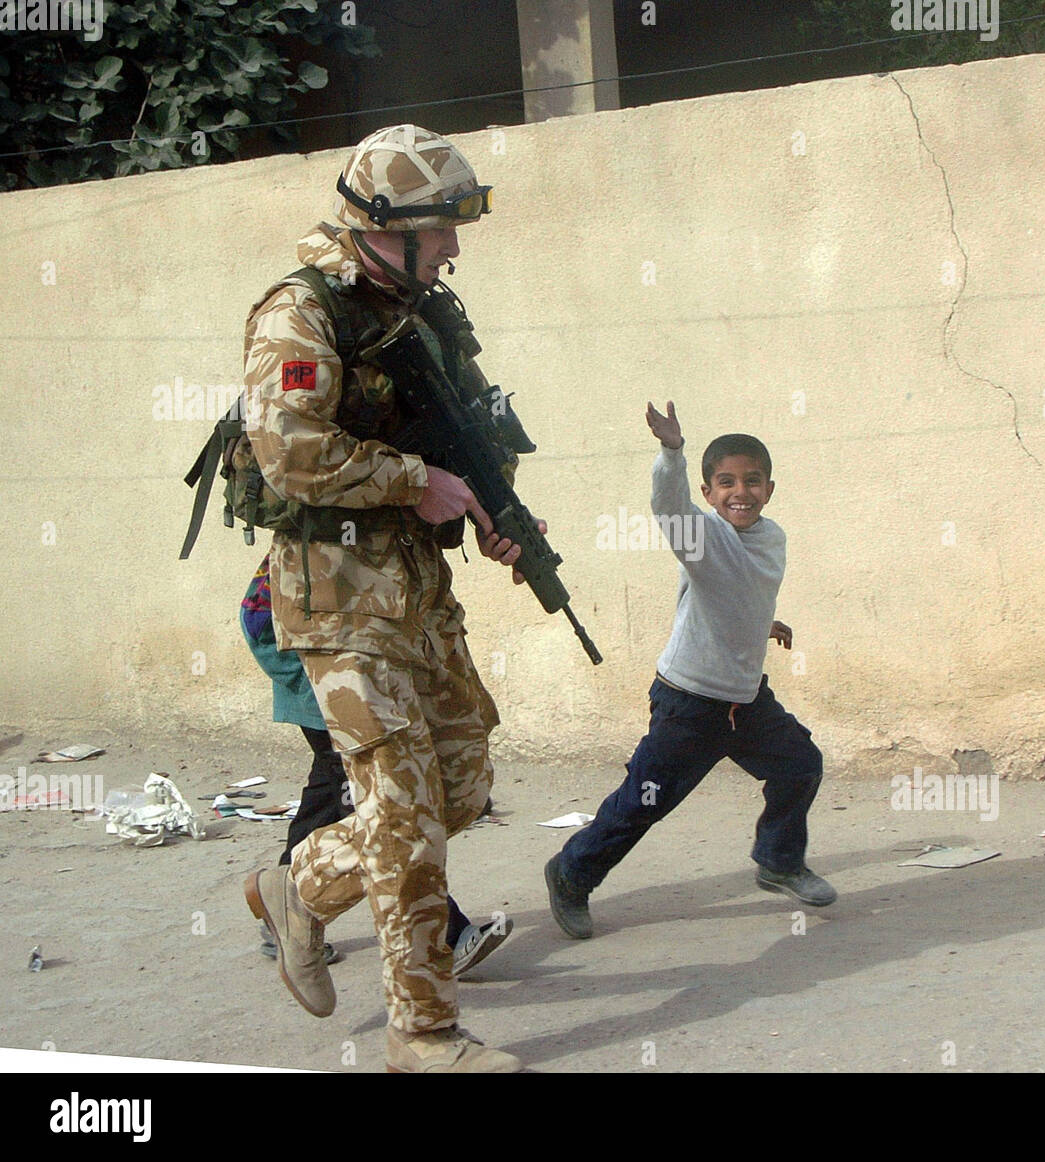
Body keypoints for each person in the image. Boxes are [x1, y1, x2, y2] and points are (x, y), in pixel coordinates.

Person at [240, 124, 533, 1073]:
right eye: (441, 228)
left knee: (459, 791)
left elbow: (469, 438)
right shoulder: (300, 314)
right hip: (335, 603)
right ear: (385, 228)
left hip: (418, 596)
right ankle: (425, 1037)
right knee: (404, 817)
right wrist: (412, 481)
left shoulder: (422, 309)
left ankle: (300, 887)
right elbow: (290, 451)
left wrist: (494, 513)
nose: (454, 245)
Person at [545, 401, 834, 939]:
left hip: (745, 702)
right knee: (644, 802)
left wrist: (764, 621)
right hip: (690, 702)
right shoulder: (702, 536)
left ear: (770, 489)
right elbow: (670, 509)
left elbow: (742, 586)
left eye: (752, 481)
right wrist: (672, 453)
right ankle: (570, 873)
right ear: (707, 494)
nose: (740, 492)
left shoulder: (772, 538)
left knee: (800, 764)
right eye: (725, 482)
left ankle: (778, 861)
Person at [239, 554, 513, 977]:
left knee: (350, 792)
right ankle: (444, 933)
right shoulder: (326, 539)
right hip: (323, 658)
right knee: (381, 796)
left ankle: (286, 894)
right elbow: (261, 618)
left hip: (359, 653)